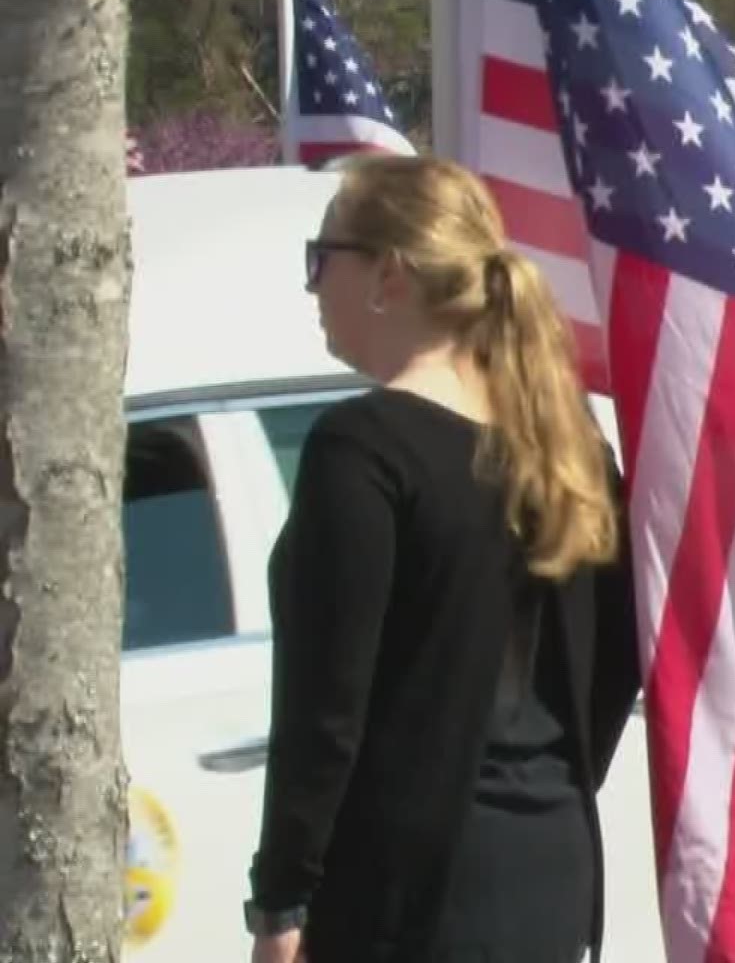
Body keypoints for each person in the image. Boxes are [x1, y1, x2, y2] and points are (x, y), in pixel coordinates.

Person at [244, 155, 642, 963]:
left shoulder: (363, 449)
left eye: (322, 259)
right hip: (549, 860)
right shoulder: (570, 451)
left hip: (406, 894)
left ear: (389, 274)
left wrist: (281, 900)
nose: (313, 285)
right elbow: (618, 657)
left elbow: (326, 710)